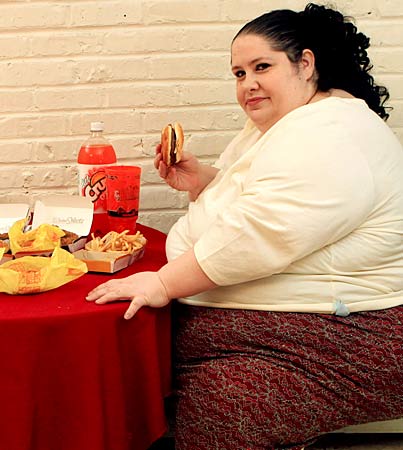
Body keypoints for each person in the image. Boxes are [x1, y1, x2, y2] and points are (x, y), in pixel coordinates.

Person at [86, 3, 403, 449]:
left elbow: (262, 233)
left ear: (305, 63)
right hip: (294, 317)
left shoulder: (331, 134)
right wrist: (204, 182)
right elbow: (267, 200)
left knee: (226, 400)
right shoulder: (288, 123)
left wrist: (162, 283)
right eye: (238, 73)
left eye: (262, 67)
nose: (248, 84)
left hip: (345, 332)